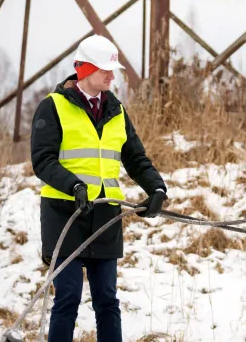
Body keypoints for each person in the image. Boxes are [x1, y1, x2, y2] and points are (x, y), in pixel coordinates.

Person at [31, 35, 169, 342]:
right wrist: (74, 186)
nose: (112, 74)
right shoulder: (52, 107)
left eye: (112, 68)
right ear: (84, 69)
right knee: (67, 298)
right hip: (64, 214)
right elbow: (42, 161)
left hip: (105, 214)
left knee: (107, 299)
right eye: (105, 68)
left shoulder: (117, 111)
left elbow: (136, 158)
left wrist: (156, 189)